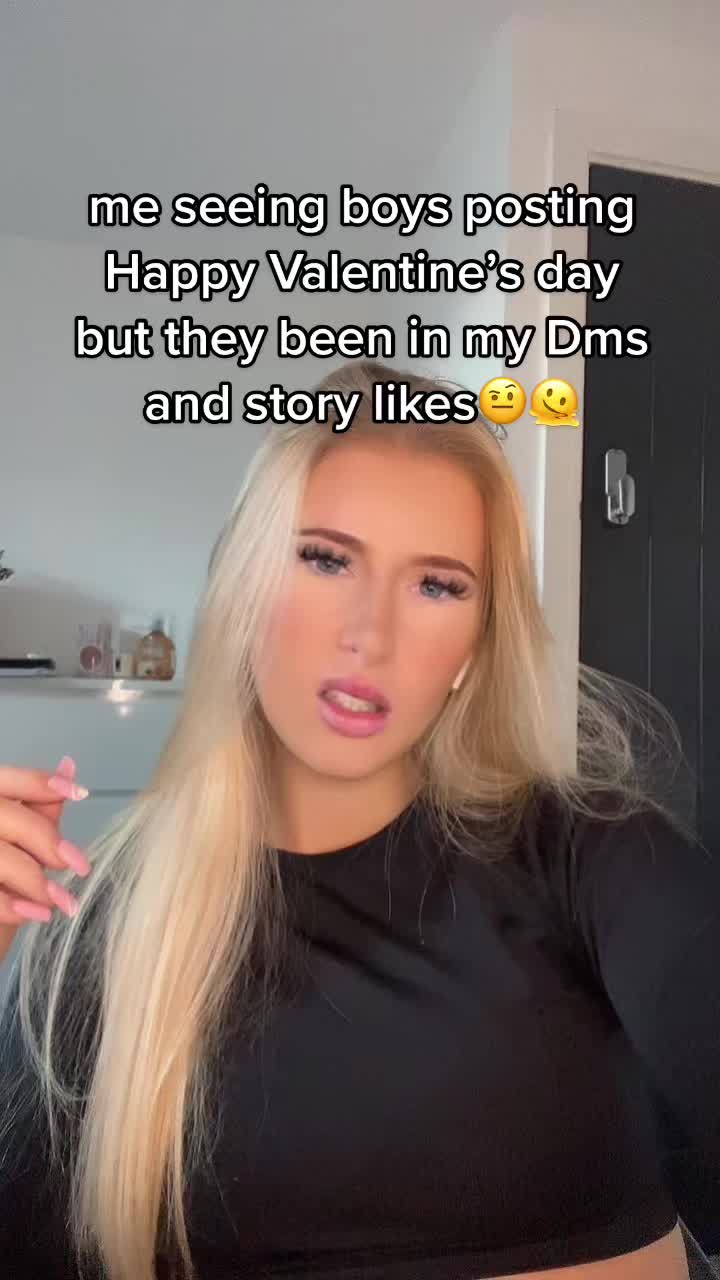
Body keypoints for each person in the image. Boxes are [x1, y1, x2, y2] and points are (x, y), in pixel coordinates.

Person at [0, 359, 718, 1280]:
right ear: (242, 583)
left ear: (475, 645)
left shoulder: (600, 862)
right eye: (326, 559)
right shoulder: (95, 929)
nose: (370, 636)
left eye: (438, 586)